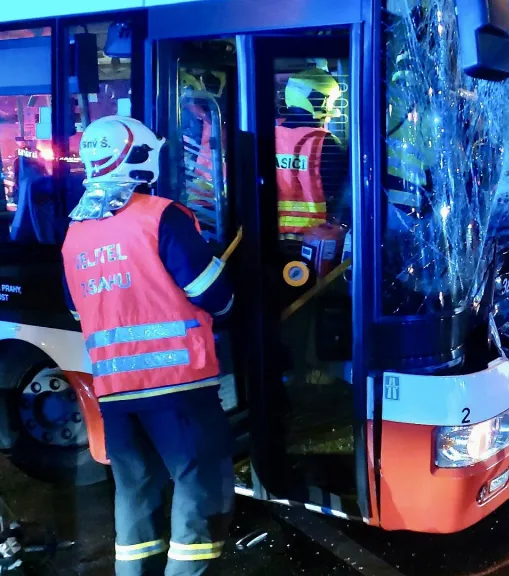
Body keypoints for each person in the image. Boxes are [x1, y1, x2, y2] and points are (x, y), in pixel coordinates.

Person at [61, 116, 235, 576]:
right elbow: (214, 295)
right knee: (197, 488)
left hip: (116, 394)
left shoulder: (74, 235)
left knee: (134, 497)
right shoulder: (161, 216)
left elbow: (82, 313)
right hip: (178, 387)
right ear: (139, 156)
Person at [275, 67, 348, 240]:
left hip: (271, 238)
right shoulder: (327, 143)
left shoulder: (269, 137)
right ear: (319, 100)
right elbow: (339, 194)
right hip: (316, 241)